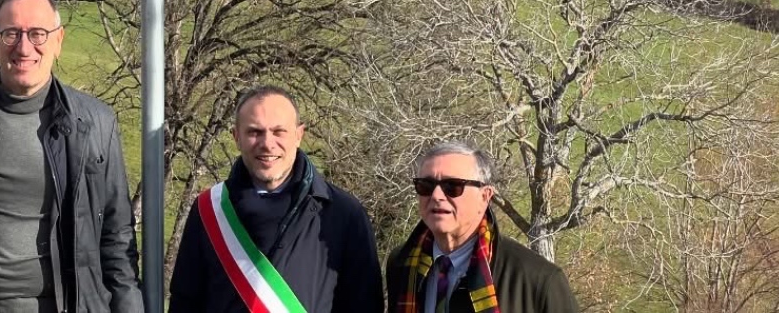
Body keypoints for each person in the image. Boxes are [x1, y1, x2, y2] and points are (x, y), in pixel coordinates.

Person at [0, 0, 143, 313]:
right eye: (11, 33)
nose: (24, 47)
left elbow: (117, 237)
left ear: (58, 41)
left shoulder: (95, 123)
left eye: (38, 34)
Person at [168, 85, 385, 313]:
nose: (267, 143)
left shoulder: (344, 214)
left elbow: (365, 305)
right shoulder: (208, 210)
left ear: (299, 135)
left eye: (279, 131)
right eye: (254, 132)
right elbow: (185, 302)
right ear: (236, 137)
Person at [386, 141, 578, 313]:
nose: (436, 195)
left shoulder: (538, 280)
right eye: (426, 185)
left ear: (485, 196)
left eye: (452, 186)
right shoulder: (402, 265)